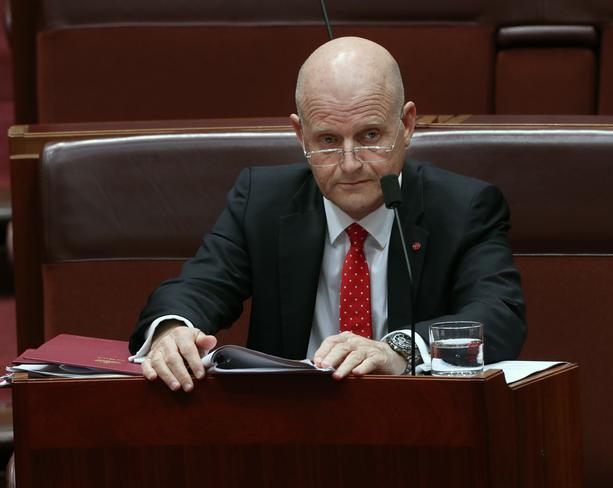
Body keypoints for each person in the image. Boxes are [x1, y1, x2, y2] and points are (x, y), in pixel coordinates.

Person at [129, 37, 526, 392]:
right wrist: (172, 330)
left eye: (370, 136)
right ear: (299, 135)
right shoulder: (262, 201)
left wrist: (399, 351)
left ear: (406, 125)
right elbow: (199, 287)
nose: (350, 164)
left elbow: (498, 315)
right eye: (328, 141)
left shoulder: (463, 207)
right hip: (290, 434)